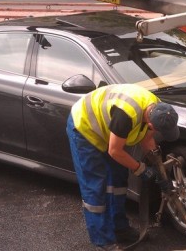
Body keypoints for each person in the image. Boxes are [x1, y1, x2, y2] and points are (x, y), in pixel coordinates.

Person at [66, 84, 179, 251]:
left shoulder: (159, 109)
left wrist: (161, 173)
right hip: (85, 128)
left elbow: (147, 141)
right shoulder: (126, 114)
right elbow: (114, 150)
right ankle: (103, 241)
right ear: (150, 122)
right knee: (95, 187)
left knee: (118, 181)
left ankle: (120, 228)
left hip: (109, 132)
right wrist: (141, 169)